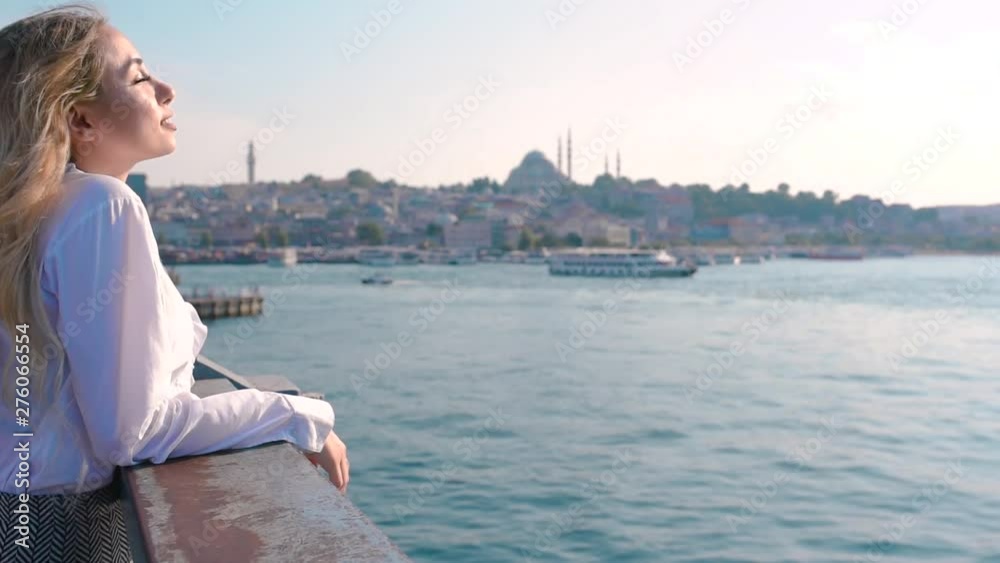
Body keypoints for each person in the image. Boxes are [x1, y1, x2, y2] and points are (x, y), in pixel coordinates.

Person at [0, 6, 348, 562]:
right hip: (64, 533)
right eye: (139, 76)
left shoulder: (32, 216)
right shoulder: (101, 206)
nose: (167, 88)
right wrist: (295, 415)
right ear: (82, 121)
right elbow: (131, 433)